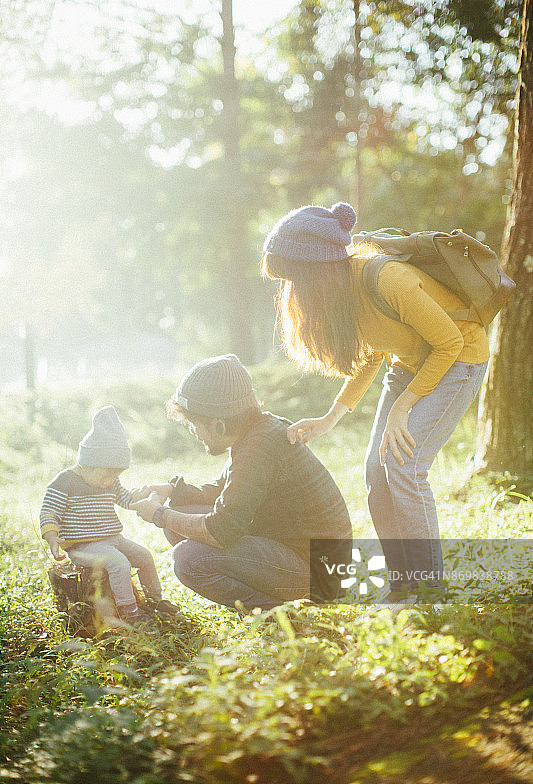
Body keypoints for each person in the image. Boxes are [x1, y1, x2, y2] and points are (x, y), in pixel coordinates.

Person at [260, 202, 489, 604]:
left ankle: (429, 589)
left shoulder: (387, 278)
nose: (290, 290)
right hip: (410, 366)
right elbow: (370, 353)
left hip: (459, 359)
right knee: (374, 470)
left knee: (404, 465)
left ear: (319, 267)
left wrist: (404, 407)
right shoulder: (341, 290)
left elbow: (450, 342)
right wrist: (331, 417)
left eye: (294, 278)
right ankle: (404, 583)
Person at [132, 354, 353, 611]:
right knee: (180, 519)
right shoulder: (258, 431)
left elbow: (219, 532)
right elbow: (225, 490)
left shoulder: (259, 447)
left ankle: (272, 613)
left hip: (321, 571)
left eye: (194, 423)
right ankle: (251, 597)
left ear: (219, 424)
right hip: (308, 557)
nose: (193, 431)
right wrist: (172, 490)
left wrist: (160, 514)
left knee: (187, 559)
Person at [40, 405, 177, 628]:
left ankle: (155, 600)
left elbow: (124, 498)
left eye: (116, 476)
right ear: (86, 463)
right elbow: (49, 510)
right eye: (106, 476)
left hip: (112, 538)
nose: (110, 481)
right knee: (119, 563)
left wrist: (139, 501)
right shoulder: (64, 482)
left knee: (144, 556)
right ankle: (129, 612)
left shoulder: (109, 479)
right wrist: (52, 536)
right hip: (83, 546)